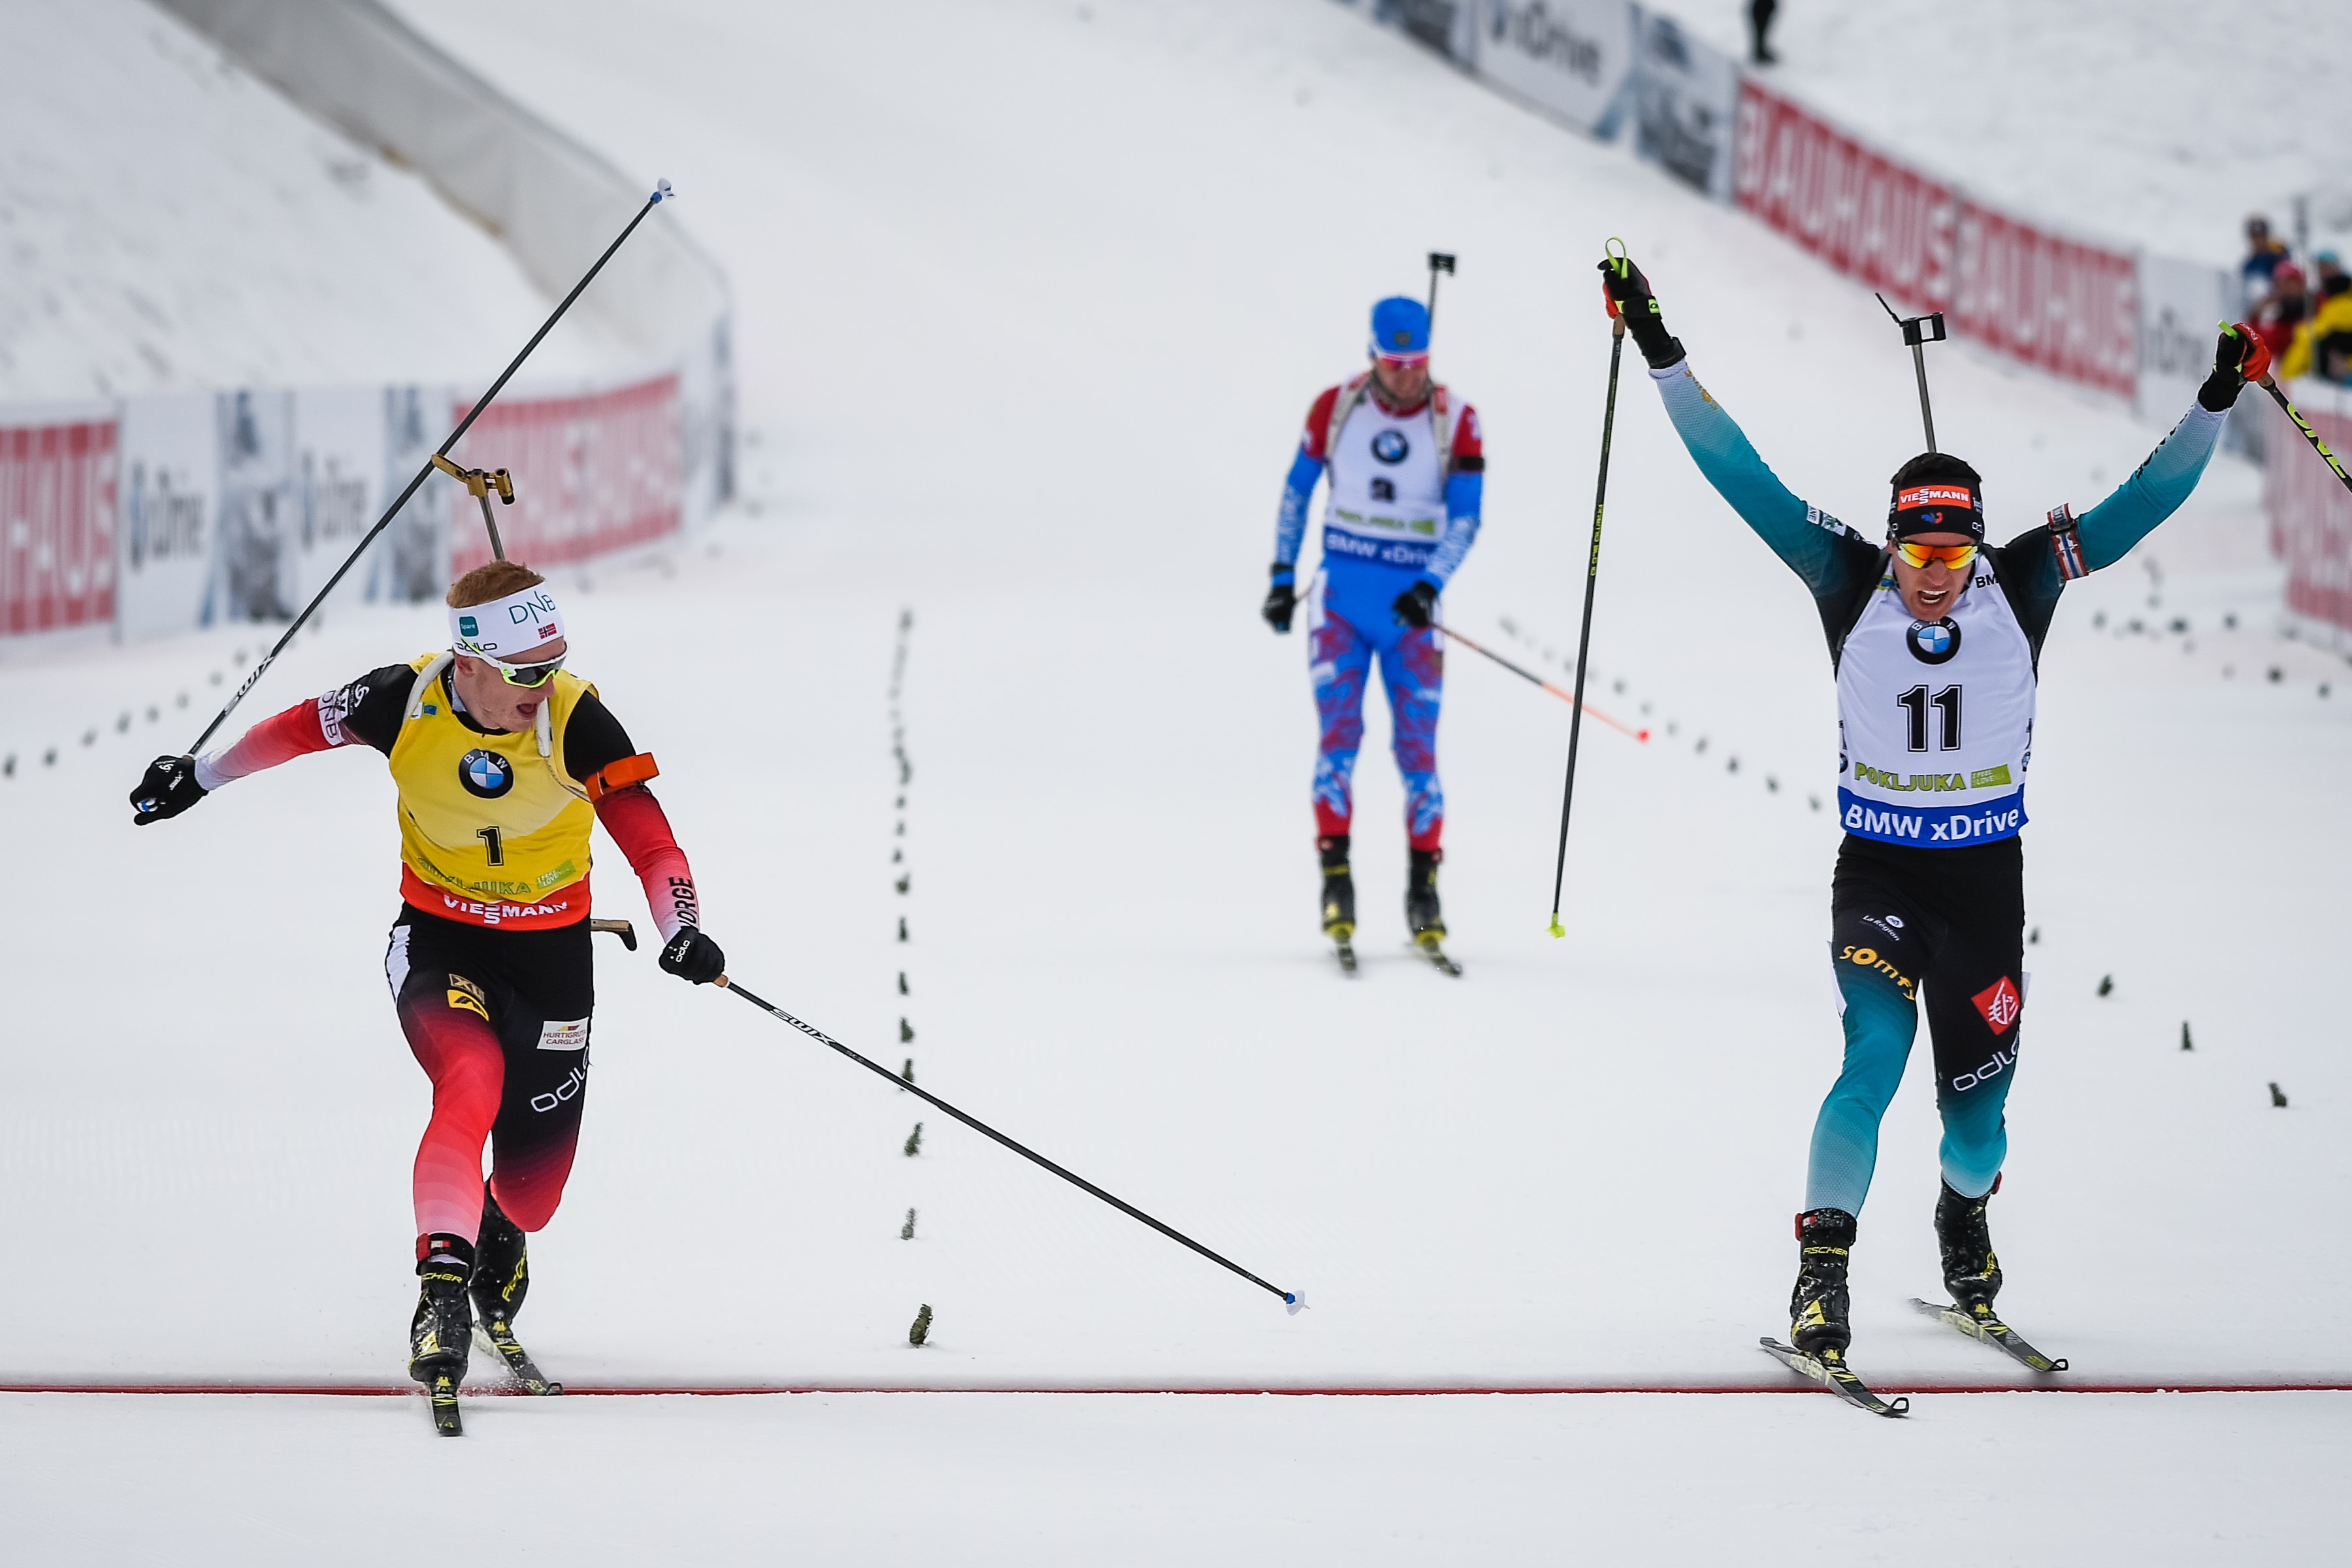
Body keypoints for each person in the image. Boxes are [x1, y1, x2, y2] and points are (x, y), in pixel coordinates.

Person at [1597, 253, 2269, 1364]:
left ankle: (1963, 1210)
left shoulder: (2030, 580)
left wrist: (2215, 397)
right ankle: (1823, 1279)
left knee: (1976, 1128)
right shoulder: (1845, 579)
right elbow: (1742, 473)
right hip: (1880, 872)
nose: (1935, 576)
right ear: (1894, 538)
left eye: (1954, 554)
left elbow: (2140, 506)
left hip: (1984, 888)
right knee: (1870, 1059)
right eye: (1920, 552)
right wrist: (1662, 350)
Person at [129, 560, 726, 1405]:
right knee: (468, 1082)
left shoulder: (577, 719)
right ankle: (440, 1292)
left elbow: (654, 846)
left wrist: (685, 929)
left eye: (553, 664)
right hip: (440, 939)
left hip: (552, 957)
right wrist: (199, 776)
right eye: (524, 671)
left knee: (533, 1195)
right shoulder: (398, 701)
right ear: (469, 660)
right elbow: (297, 729)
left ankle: (495, 1223)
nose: (541, 685)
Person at [1263, 295, 1484, 961]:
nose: (1409, 376)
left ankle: (1424, 894)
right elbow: (1298, 492)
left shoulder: (1456, 421)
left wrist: (1430, 585)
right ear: (1373, 357)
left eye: (1419, 363)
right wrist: (1281, 576)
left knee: (1418, 755)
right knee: (1339, 742)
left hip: (1410, 616)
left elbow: (1467, 519)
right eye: (1396, 364)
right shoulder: (1335, 409)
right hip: (1339, 607)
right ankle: (1338, 884)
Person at [2279, 255, 2352, 384]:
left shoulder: (2330, 311)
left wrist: (2287, 374)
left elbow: (2306, 341)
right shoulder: (2328, 308)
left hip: (2330, 383)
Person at [2253, 260, 2311, 365]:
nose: (2290, 288)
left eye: (2295, 282)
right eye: (2285, 284)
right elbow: (2260, 347)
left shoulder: (2317, 309)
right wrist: (2255, 316)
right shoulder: (2275, 321)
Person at [2242, 216, 2289, 310]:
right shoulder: (2249, 264)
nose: (2258, 241)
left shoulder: (2280, 256)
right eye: (2255, 236)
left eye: (2261, 236)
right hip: (2256, 308)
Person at [1748, 0, 1779, 65]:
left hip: (1763, 7)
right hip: (1762, 8)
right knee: (1760, 30)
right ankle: (1760, 53)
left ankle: (1760, 51)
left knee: (1762, 31)